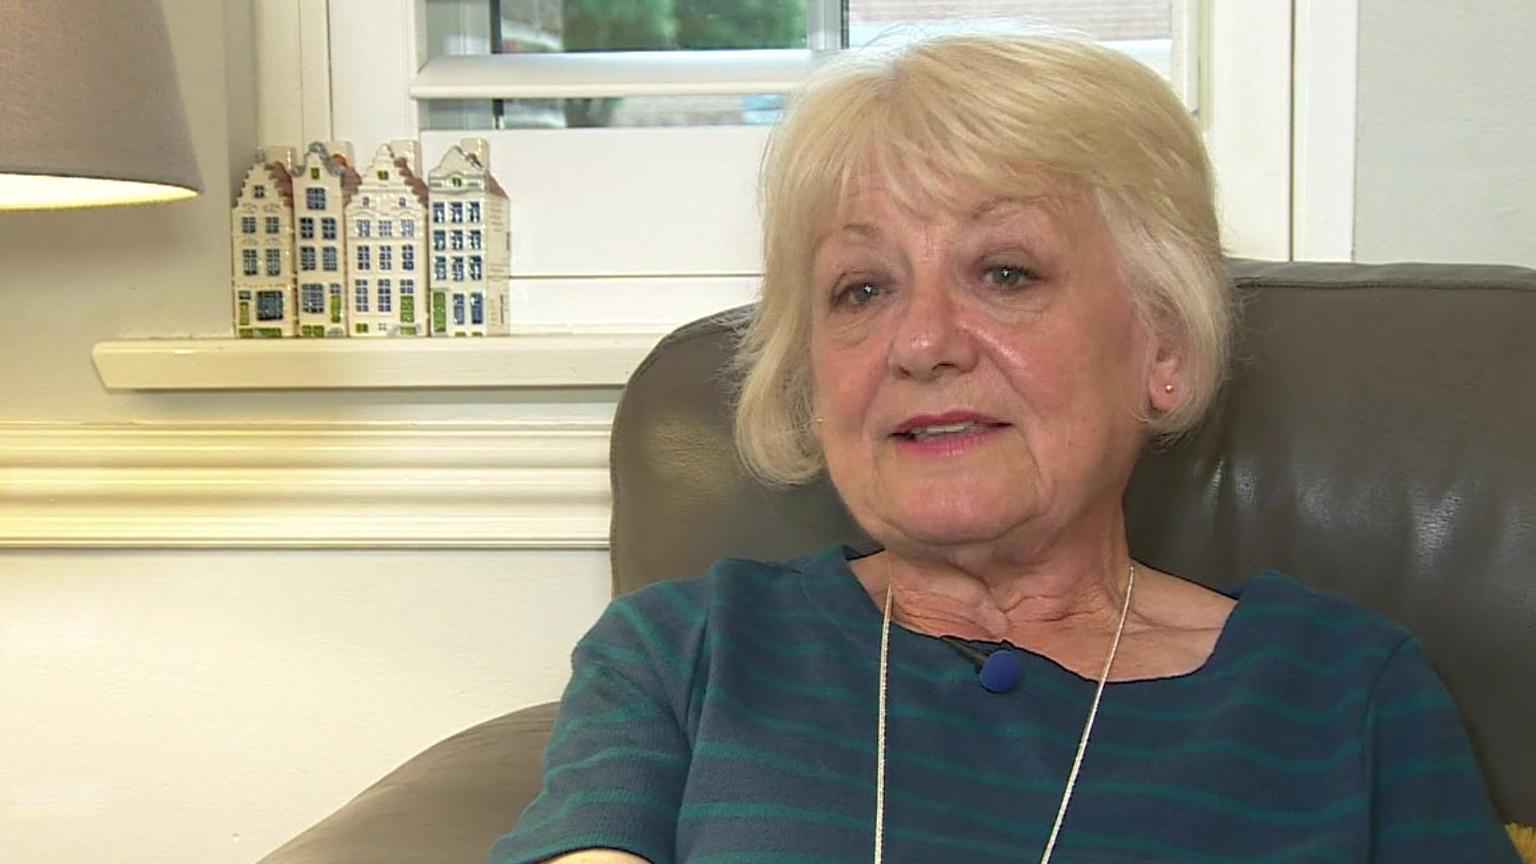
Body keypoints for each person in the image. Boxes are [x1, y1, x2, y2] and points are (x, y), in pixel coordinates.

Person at [492, 34, 1518, 864]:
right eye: (862, 289)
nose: (923, 343)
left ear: (1161, 346)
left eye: (1007, 273)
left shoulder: (1347, 695)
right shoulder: (688, 653)